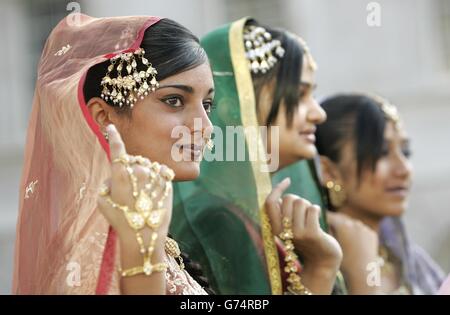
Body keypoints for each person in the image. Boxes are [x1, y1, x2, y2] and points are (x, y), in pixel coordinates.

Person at [13, 14, 218, 294]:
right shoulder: (92, 249)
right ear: (103, 117)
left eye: (207, 104)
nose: (204, 127)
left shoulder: (143, 230)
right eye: (174, 100)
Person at [170, 17, 343, 295]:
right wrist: (321, 266)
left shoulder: (264, 214)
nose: (318, 113)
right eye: (299, 95)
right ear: (233, 106)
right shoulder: (216, 223)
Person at [316, 93, 445, 294]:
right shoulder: (316, 267)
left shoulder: (412, 264)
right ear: (329, 171)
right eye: (381, 153)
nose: (404, 169)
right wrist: (363, 274)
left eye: (406, 152)